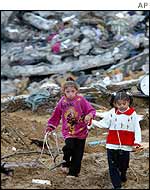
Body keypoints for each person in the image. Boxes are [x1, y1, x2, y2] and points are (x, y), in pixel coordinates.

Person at [45, 77, 96, 178]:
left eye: (73, 91)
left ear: (76, 91)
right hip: (68, 131)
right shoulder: (62, 102)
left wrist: (89, 116)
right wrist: (51, 126)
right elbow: (56, 115)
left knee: (78, 154)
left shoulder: (81, 100)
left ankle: (73, 173)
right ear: (64, 92)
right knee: (69, 146)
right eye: (67, 91)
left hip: (81, 131)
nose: (70, 93)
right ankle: (66, 161)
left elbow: (91, 110)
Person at [93, 91, 142, 189]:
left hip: (126, 145)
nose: (122, 106)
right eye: (119, 104)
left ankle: (123, 174)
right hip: (112, 144)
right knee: (113, 166)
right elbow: (104, 124)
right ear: (115, 104)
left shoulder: (132, 114)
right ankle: (117, 186)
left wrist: (137, 141)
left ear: (129, 102)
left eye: (124, 104)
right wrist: (91, 122)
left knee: (124, 165)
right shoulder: (112, 113)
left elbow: (137, 128)